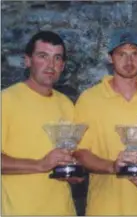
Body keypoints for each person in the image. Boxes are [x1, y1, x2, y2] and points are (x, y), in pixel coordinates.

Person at [73, 28, 137, 215]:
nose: (129, 61)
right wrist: (113, 166)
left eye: (135, 54)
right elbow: (80, 152)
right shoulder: (89, 100)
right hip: (103, 209)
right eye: (121, 54)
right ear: (110, 58)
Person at [1, 31, 82, 215]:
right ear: (28, 61)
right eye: (43, 56)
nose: (50, 65)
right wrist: (40, 164)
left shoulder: (66, 104)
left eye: (57, 58)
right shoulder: (6, 101)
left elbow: (68, 154)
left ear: (63, 66)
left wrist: (73, 171)